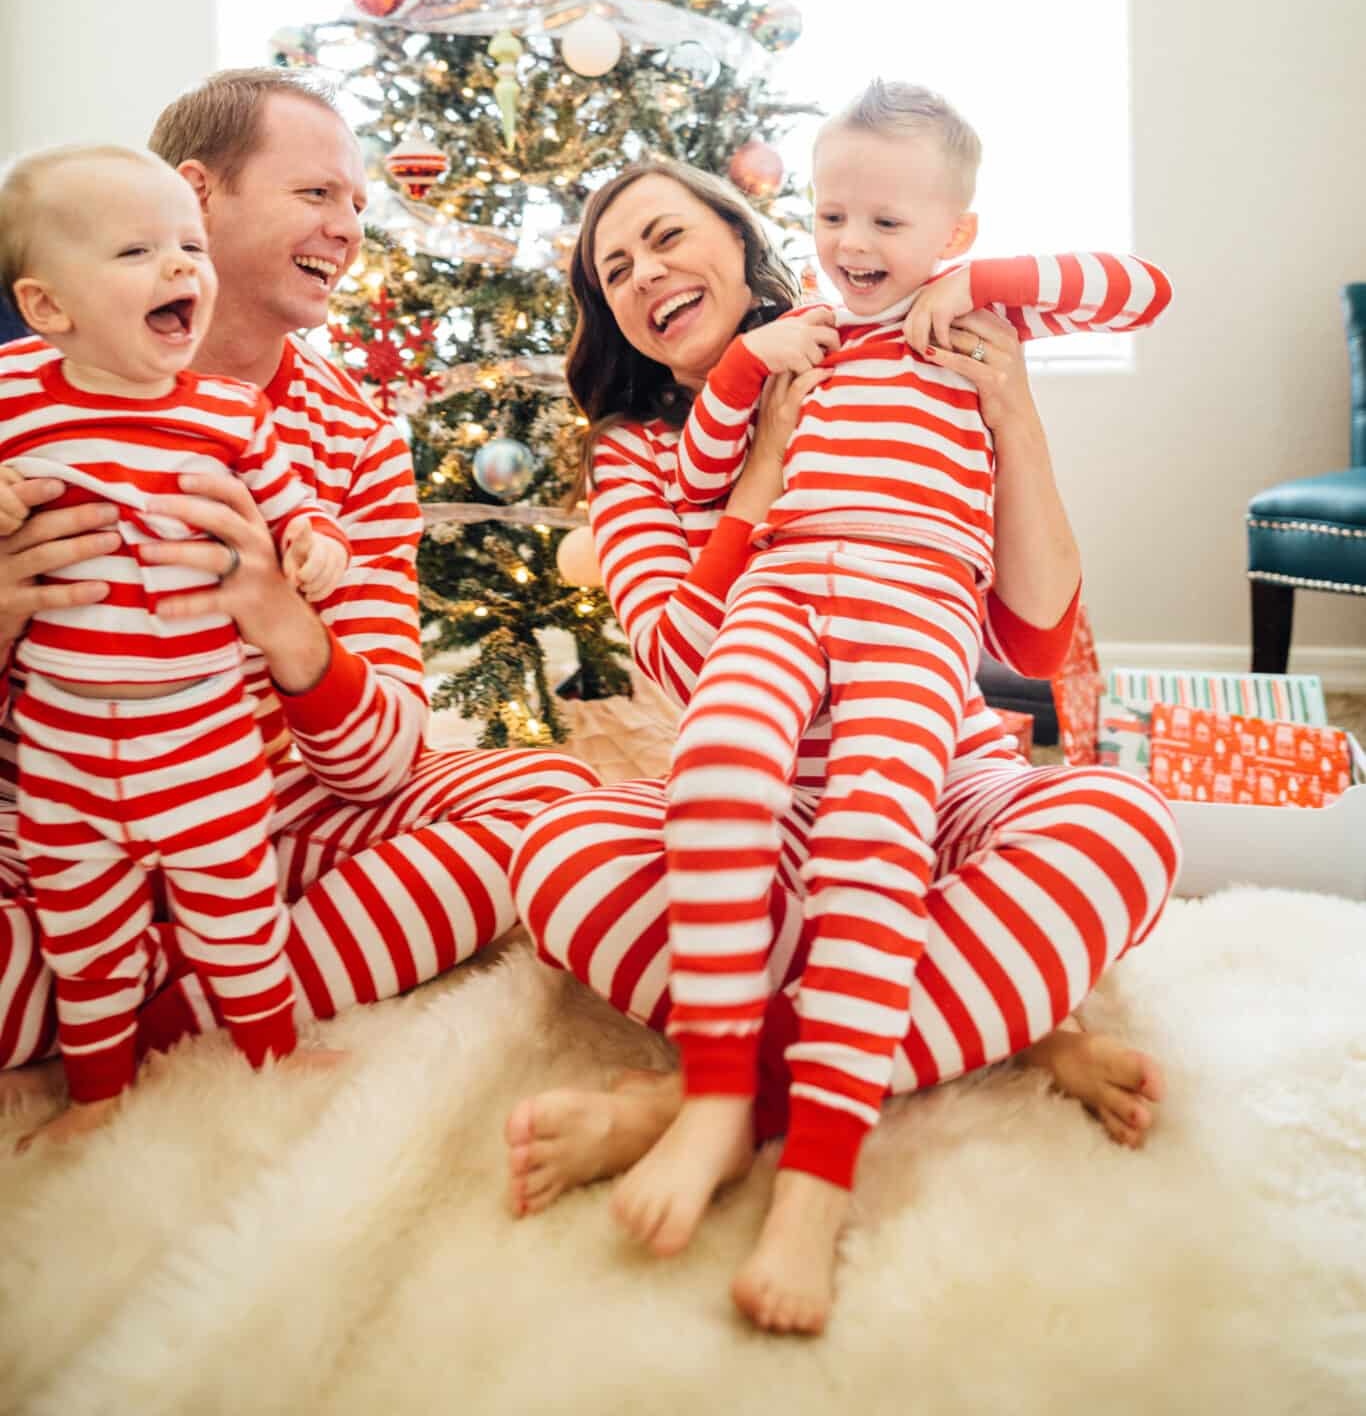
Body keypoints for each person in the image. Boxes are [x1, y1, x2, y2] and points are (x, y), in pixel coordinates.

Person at [506, 149, 1181, 1334]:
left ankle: (718, 1100)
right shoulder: (636, 449)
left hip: (936, 765)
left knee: (1120, 826)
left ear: (736, 236)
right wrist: (758, 476)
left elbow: (1028, 632)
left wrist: (1012, 406)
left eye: (667, 236)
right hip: (752, 792)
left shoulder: (886, 340)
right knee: (554, 847)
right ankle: (997, 1024)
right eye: (613, 269)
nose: (644, 273)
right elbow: (678, 650)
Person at [0, 69, 599, 1106]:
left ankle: (164, 1002)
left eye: (359, 204)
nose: (349, 227)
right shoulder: (27, 397)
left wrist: (283, 616)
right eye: (318, 192)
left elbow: (381, 763)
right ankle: (191, 963)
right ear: (197, 193)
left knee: (553, 804)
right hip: (49, 820)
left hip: (262, 809)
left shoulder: (355, 433)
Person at [0, 145, 353, 1142]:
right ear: (48, 307)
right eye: (138, 249)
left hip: (197, 734)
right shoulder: (15, 395)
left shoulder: (228, 414)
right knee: (85, 933)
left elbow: (297, 519)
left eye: (188, 246)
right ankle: (100, 1090)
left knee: (239, 913)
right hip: (60, 751)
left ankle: (269, 1052)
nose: (180, 267)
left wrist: (311, 557)